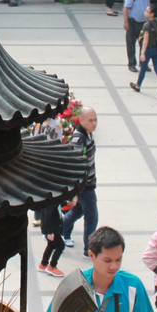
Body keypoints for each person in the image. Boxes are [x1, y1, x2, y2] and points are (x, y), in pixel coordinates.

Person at [60, 106, 100, 258]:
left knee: (77, 211)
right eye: (90, 120)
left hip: (87, 183)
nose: (94, 123)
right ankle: (89, 249)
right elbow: (75, 165)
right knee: (92, 217)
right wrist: (75, 190)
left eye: (95, 120)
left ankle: (56, 230)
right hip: (84, 186)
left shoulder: (88, 135)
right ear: (81, 120)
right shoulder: (79, 138)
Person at [131, 4, 157, 98]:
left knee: (142, 69)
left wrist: (142, 53)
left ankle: (138, 85)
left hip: (148, 50)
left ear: (152, 14)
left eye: (147, 11)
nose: (145, 12)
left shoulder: (147, 25)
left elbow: (145, 40)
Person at [123, 0, 152, 73]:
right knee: (131, 44)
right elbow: (126, 8)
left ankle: (143, 63)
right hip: (133, 23)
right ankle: (132, 64)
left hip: (144, 23)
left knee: (144, 44)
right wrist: (126, 22)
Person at [37, 202, 65, 278]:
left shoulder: (55, 201)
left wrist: (66, 203)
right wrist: (50, 232)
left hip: (54, 228)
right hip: (52, 229)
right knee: (60, 246)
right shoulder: (50, 204)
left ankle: (43, 264)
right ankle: (52, 266)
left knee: (51, 245)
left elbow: (58, 205)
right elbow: (47, 218)